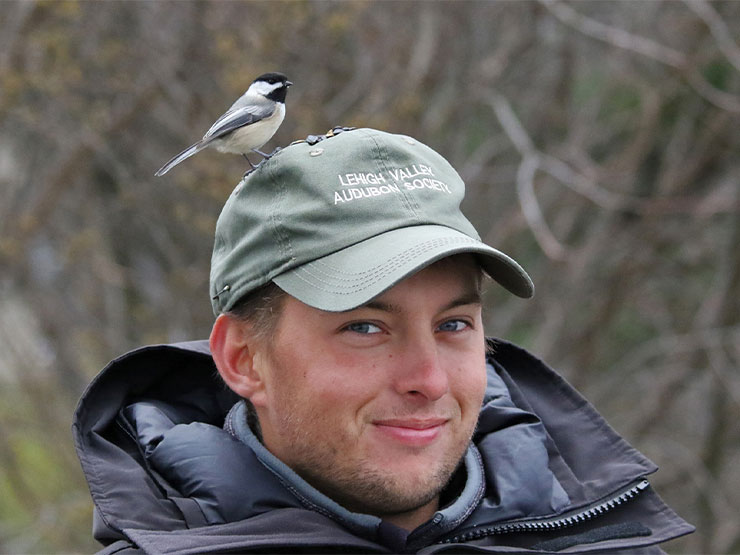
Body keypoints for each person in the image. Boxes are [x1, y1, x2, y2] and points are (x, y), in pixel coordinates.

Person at [73, 127, 693, 554]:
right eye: (364, 328)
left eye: (453, 325)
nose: (428, 378)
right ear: (244, 359)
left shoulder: (606, 541)